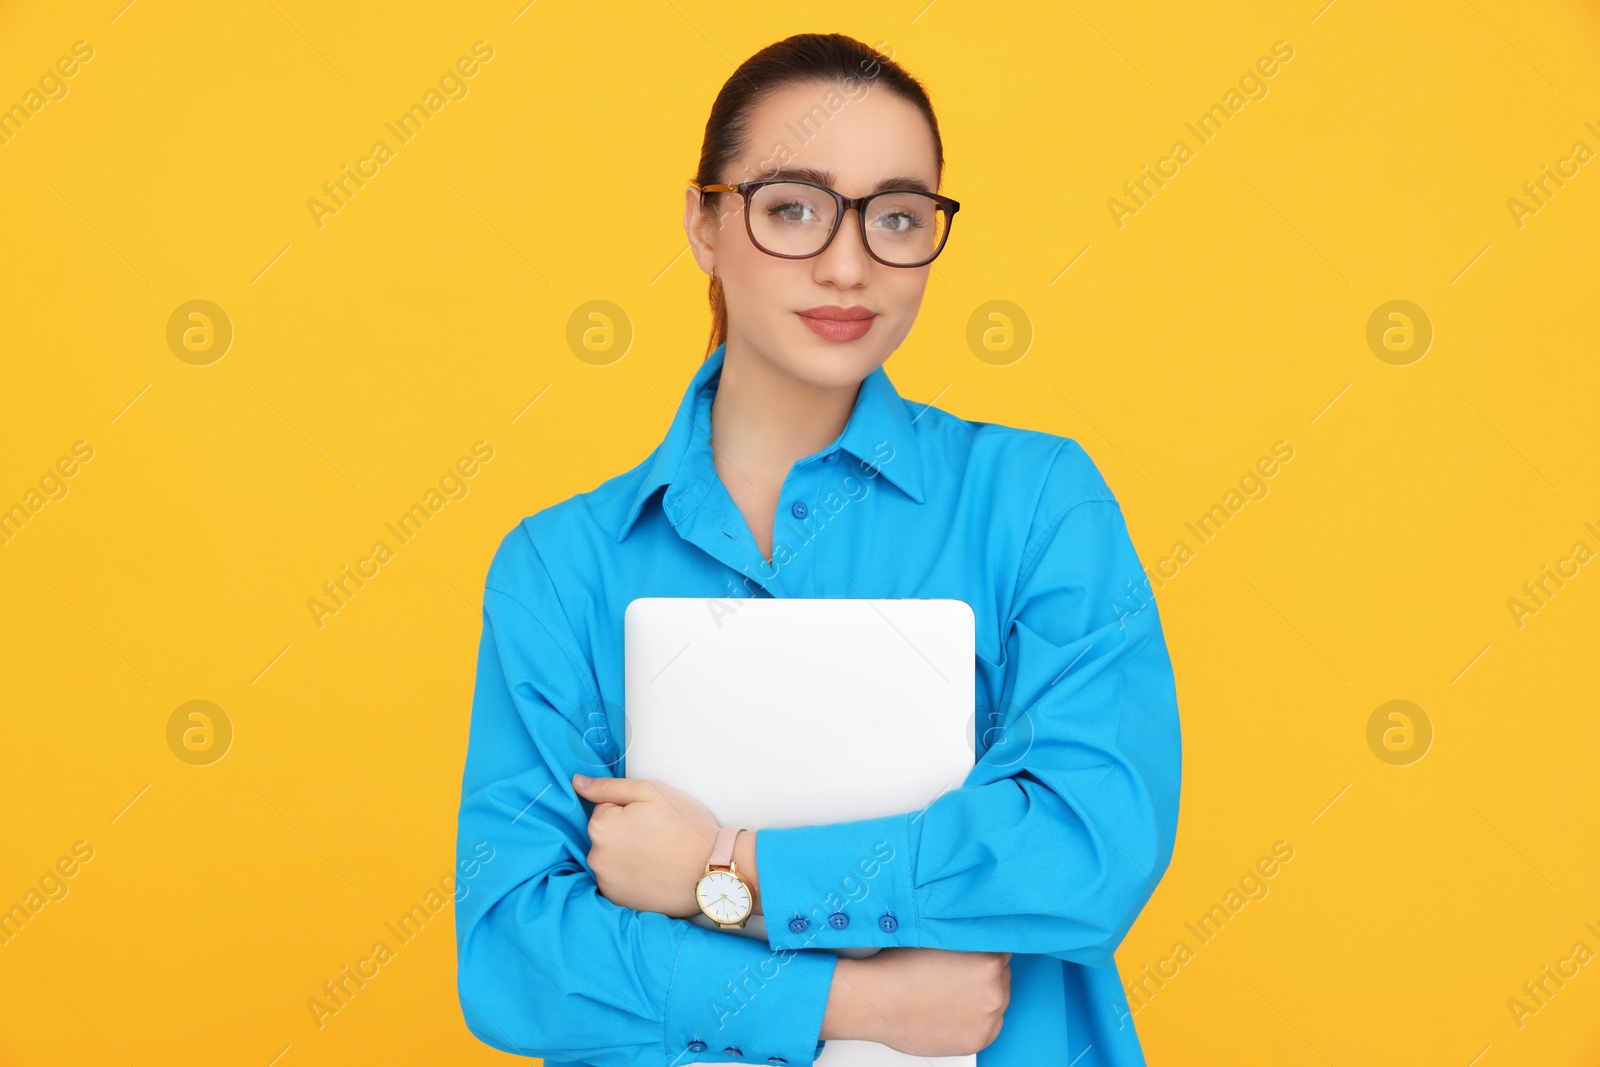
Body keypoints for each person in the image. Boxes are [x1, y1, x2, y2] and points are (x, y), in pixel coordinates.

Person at [454, 31, 1181, 1067]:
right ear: (703, 223)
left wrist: (727, 869)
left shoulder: (1034, 502)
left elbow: (1085, 848)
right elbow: (517, 960)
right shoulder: (560, 568)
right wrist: (848, 996)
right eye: (791, 207)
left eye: (895, 217)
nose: (848, 265)